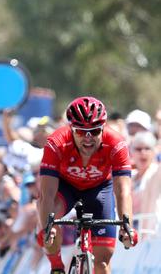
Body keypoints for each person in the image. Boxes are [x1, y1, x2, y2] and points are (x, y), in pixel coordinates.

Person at [38, 96, 138, 274]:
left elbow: (123, 191)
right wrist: (49, 226)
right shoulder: (56, 143)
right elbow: (47, 194)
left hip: (99, 189)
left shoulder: (116, 144)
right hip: (65, 187)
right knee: (50, 219)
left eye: (95, 130)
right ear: (71, 128)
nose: (88, 138)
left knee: (103, 261)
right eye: (81, 132)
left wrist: (126, 225)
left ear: (104, 127)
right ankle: (56, 265)